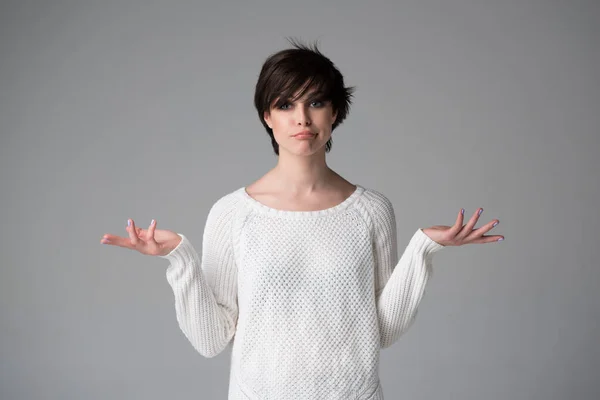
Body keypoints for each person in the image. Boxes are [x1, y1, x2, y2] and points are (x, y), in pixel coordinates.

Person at [100, 39, 504, 399]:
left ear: (335, 113)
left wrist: (423, 250)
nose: (302, 119)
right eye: (285, 105)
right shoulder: (232, 213)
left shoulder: (371, 211)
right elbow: (211, 340)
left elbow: (382, 332)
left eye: (316, 102)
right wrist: (180, 258)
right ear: (267, 116)